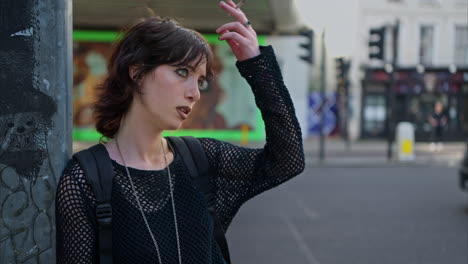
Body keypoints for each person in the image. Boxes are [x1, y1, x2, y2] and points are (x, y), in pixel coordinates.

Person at [55, 1, 305, 263]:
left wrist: (257, 65)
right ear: (138, 72)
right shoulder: (85, 181)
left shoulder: (200, 159)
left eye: (200, 81)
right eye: (182, 72)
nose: (194, 93)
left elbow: (288, 161)